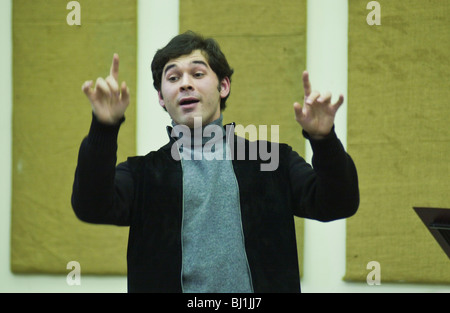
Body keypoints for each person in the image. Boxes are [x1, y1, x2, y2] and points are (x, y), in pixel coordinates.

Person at [72, 31, 359, 293]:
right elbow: (91, 206)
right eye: (173, 78)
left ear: (223, 86)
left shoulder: (272, 162)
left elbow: (338, 203)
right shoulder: (143, 175)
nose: (185, 84)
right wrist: (104, 128)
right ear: (161, 97)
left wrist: (324, 140)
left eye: (197, 73)